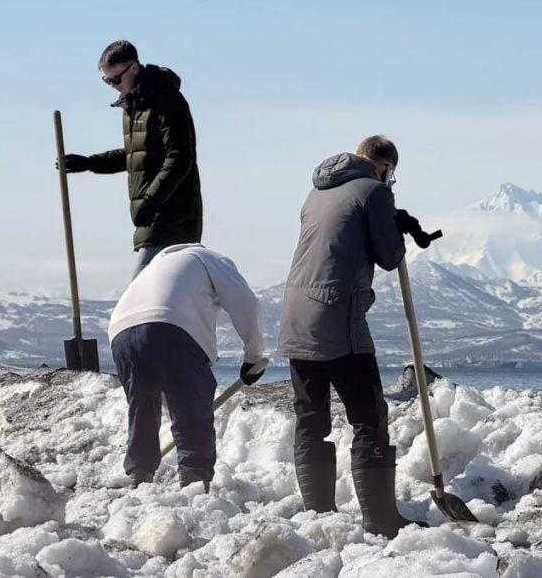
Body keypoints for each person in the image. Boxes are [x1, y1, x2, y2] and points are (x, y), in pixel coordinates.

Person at [277, 135, 422, 538]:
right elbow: (390, 257)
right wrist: (394, 224)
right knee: (369, 417)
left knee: (311, 417)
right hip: (337, 314)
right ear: (386, 166)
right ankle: (381, 520)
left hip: (295, 314)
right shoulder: (374, 191)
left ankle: (318, 518)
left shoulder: (316, 192)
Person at [108, 244, 266, 491]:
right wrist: (253, 355)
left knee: (142, 407)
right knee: (190, 407)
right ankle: (194, 484)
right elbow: (245, 304)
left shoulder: (157, 265)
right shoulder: (208, 257)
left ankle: (139, 477)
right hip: (171, 326)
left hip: (121, 332)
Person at [58, 40, 202, 279]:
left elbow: (179, 158)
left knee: (138, 299)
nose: (113, 86)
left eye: (116, 79)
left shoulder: (166, 100)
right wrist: (89, 163)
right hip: (152, 222)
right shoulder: (135, 104)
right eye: (107, 81)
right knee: (156, 300)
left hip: (172, 220)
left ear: (134, 68)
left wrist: (150, 202)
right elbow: (136, 156)